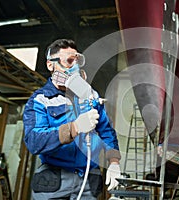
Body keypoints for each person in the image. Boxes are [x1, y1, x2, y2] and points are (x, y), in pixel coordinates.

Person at [23, 39, 121, 200]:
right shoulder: (40, 100)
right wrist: (73, 128)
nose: (75, 68)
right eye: (69, 62)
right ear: (50, 65)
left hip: (89, 179)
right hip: (54, 179)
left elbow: (107, 132)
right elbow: (34, 141)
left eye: (77, 62)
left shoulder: (90, 96)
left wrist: (114, 161)